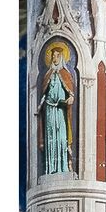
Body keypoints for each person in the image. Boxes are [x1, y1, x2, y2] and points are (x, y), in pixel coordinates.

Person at [41, 43, 75, 175]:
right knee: (51, 139)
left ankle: (62, 167)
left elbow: (71, 93)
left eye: (57, 56)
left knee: (61, 137)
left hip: (61, 110)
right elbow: (44, 92)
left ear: (61, 58)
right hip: (50, 110)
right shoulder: (48, 75)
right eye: (53, 56)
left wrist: (69, 99)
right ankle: (51, 168)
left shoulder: (65, 74)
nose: (54, 58)